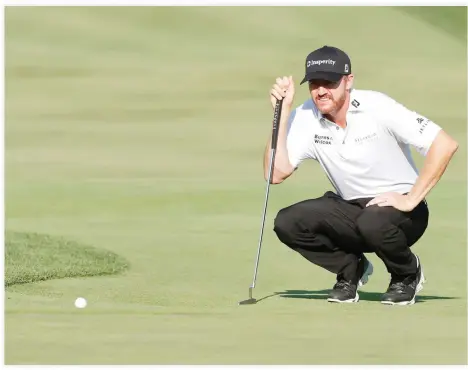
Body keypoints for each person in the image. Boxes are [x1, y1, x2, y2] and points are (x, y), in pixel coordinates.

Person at [266, 45, 459, 305]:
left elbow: (444, 144)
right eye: (314, 83)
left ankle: (406, 274)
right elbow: (275, 173)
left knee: (373, 221)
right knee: (288, 222)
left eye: (330, 82)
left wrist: (411, 198)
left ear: (348, 81)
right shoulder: (304, 115)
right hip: (350, 207)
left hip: (402, 210)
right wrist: (281, 114)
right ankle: (350, 270)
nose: (321, 91)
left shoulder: (377, 106)